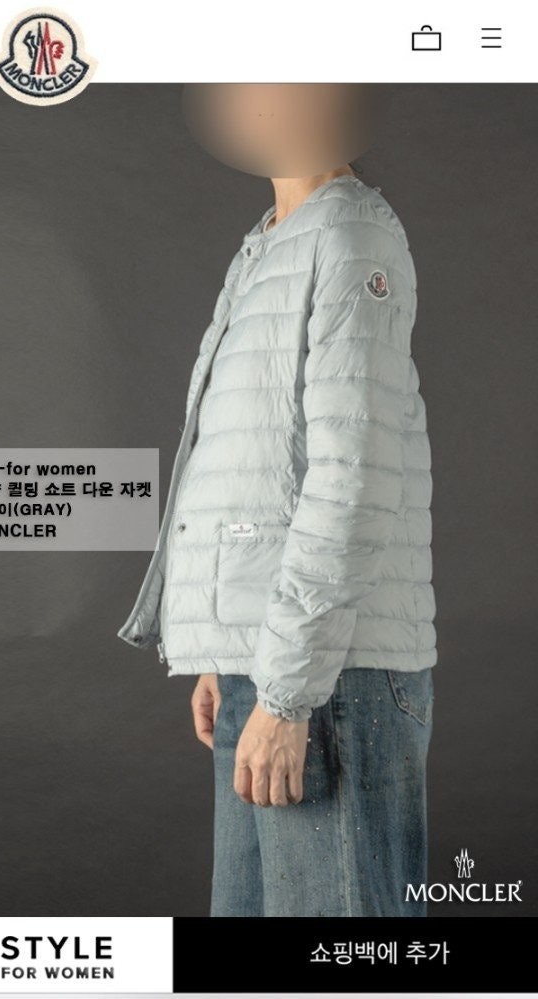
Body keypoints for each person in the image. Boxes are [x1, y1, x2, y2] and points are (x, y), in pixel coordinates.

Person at [117, 164, 437, 917]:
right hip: (271, 667)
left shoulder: (350, 234)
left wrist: (287, 692)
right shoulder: (269, 242)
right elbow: (261, 466)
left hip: (327, 680)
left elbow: (354, 479)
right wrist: (224, 650)